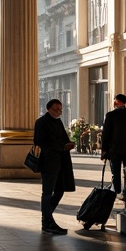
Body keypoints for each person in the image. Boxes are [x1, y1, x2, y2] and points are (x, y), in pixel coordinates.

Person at [34, 99, 76, 235]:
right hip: (48, 163)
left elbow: (62, 138)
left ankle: (47, 217)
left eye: (60, 110)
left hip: (60, 162)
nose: (58, 112)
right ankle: (47, 221)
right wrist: (62, 146)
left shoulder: (58, 121)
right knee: (47, 193)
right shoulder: (41, 122)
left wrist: (68, 143)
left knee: (59, 191)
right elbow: (40, 142)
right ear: (48, 109)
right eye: (56, 110)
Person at [100, 93, 126, 196]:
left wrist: (104, 150)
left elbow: (106, 134)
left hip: (114, 150)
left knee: (116, 173)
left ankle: (117, 191)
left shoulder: (110, 116)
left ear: (116, 102)